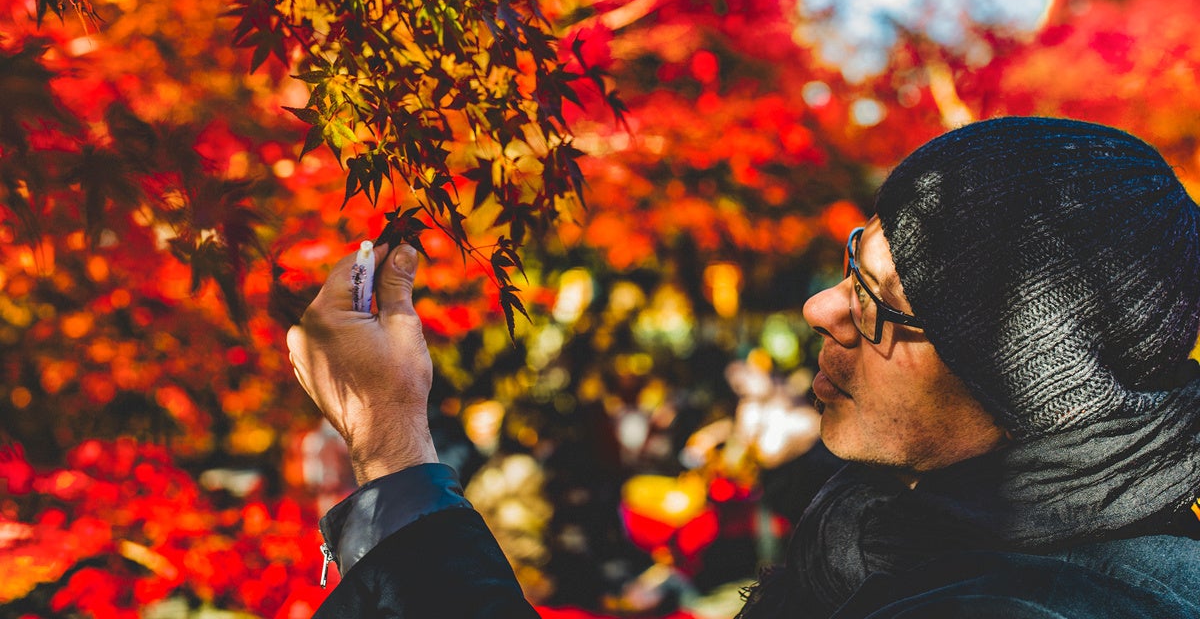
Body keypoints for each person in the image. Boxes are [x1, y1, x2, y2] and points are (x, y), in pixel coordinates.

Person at [287, 117, 1200, 618]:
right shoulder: (900, 532)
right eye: (854, 263)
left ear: (1016, 383)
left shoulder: (1029, 610)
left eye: (880, 303)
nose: (820, 310)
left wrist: (393, 445)